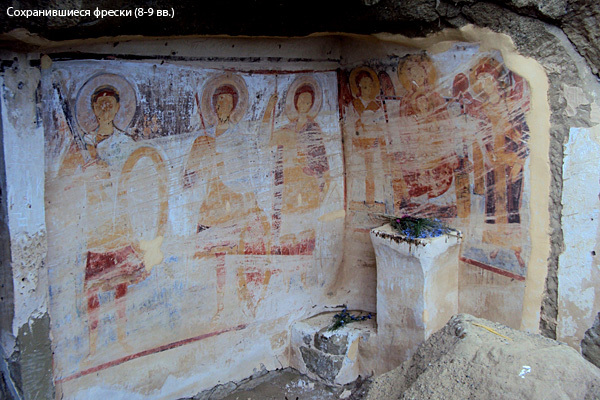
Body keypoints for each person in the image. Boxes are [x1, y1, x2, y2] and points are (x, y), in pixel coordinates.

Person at [184, 77, 270, 318]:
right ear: (213, 106)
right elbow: (187, 180)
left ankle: (240, 302)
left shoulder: (240, 138)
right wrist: (201, 158)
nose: (223, 106)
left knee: (237, 256)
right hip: (212, 205)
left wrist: (224, 165)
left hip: (235, 203)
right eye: (219, 101)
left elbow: (249, 173)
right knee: (215, 259)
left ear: (233, 106)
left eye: (228, 102)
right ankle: (217, 305)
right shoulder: (203, 138)